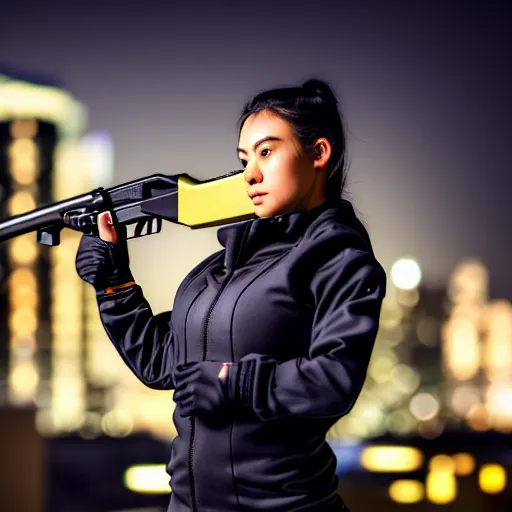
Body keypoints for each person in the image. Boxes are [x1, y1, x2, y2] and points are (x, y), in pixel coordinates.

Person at [75, 78, 387, 512]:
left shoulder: (341, 260)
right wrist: (113, 285)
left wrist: (234, 382)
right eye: (244, 158)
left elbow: (334, 381)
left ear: (319, 153)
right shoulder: (219, 269)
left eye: (267, 151)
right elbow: (162, 365)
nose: (251, 173)